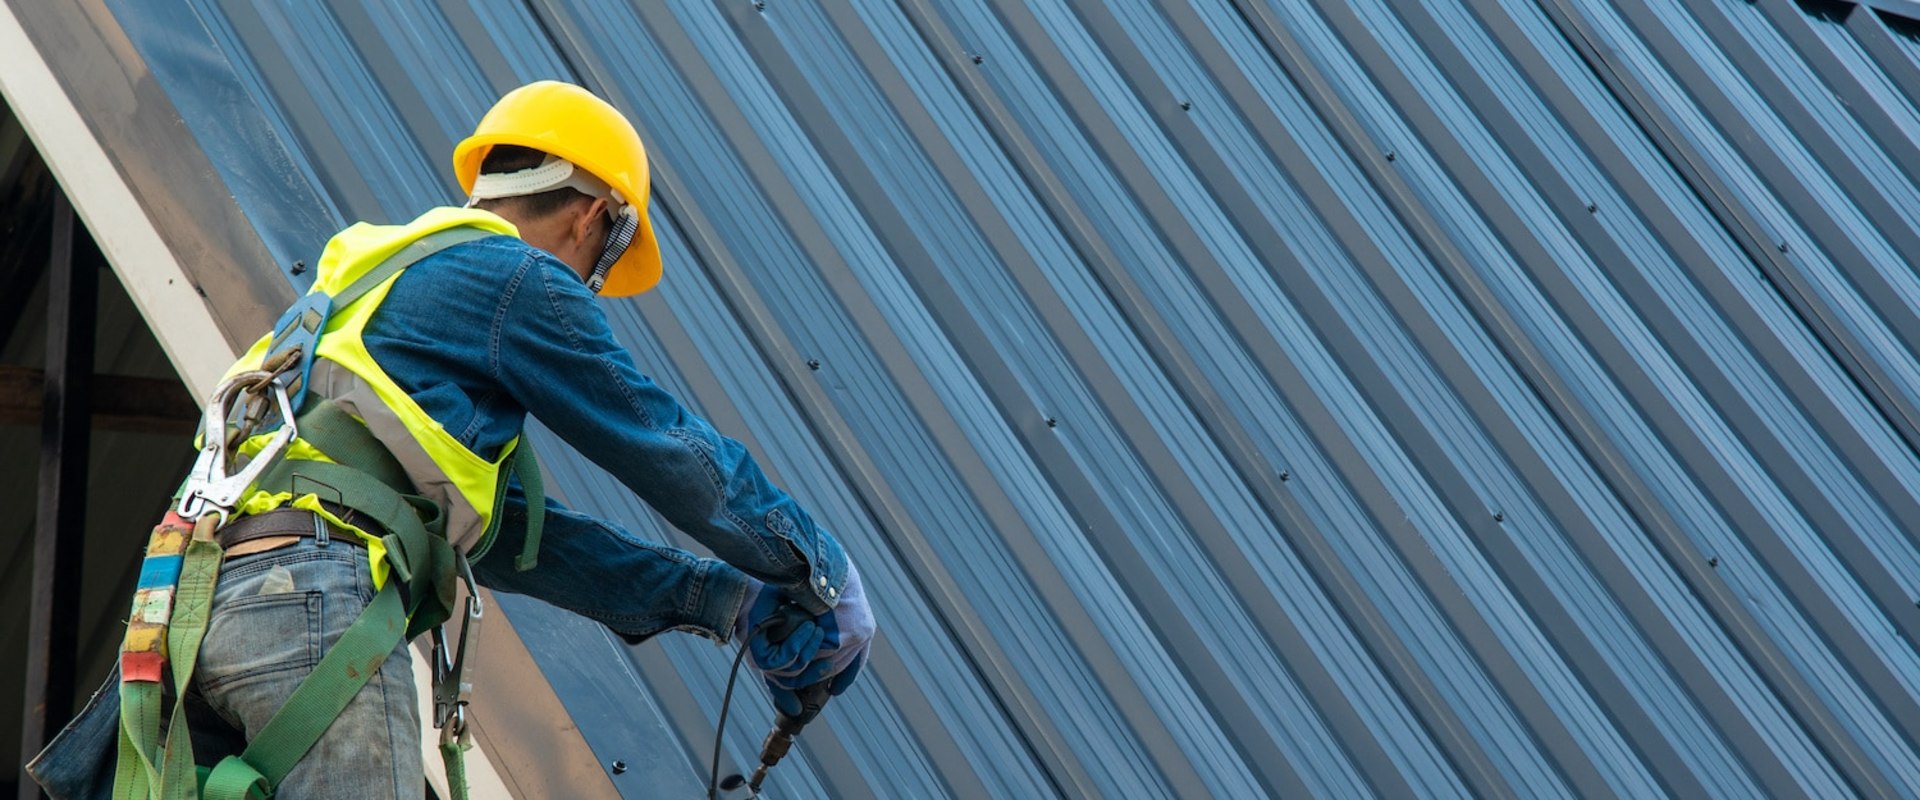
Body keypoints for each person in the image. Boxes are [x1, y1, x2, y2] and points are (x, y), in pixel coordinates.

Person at [29, 80, 873, 799]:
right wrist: (817, 568)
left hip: (194, 612)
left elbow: (513, 538)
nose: (596, 282)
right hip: (312, 604)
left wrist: (719, 599)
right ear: (595, 219)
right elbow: (661, 444)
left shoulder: (366, 291)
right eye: (610, 256)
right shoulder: (517, 279)